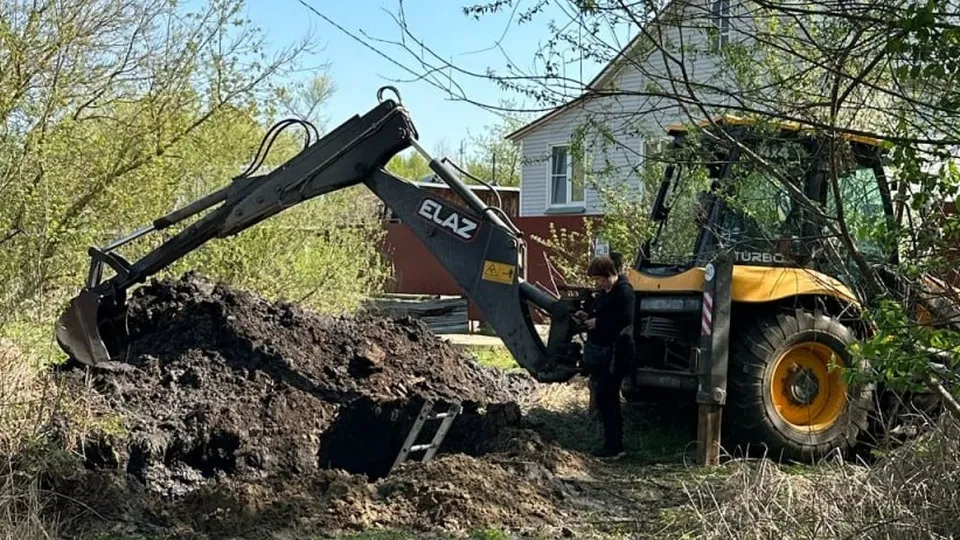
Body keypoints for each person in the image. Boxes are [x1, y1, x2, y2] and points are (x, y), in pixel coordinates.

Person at [575, 255, 636, 458]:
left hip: (617, 353)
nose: (597, 283)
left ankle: (615, 446)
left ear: (609, 274)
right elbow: (603, 314)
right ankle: (611, 443)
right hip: (603, 353)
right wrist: (588, 317)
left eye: (599, 279)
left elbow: (625, 320)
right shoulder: (605, 293)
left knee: (608, 397)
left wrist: (598, 323)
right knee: (604, 397)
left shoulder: (624, 293)